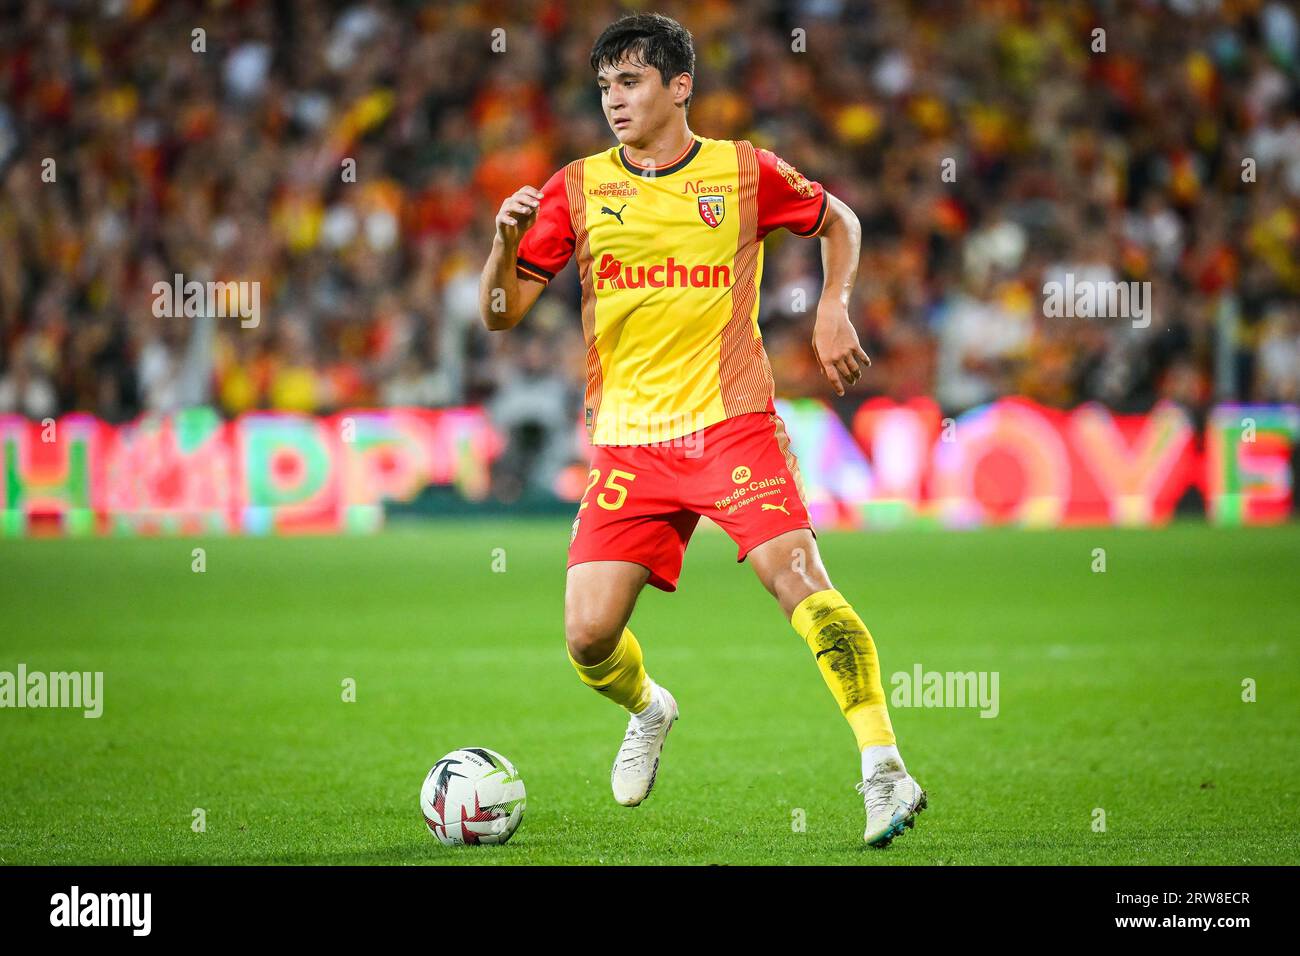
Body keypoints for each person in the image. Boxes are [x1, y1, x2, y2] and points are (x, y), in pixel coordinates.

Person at [477, 12, 925, 846]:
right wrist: (503, 249)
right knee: (587, 636)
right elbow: (501, 314)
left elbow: (841, 220)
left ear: (679, 87)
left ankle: (884, 769)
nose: (613, 99)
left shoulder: (743, 173)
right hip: (628, 443)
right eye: (605, 84)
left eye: (632, 81)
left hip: (731, 427)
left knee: (800, 582)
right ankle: (649, 708)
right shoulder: (576, 188)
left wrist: (833, 305)